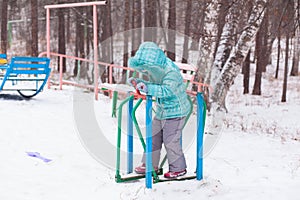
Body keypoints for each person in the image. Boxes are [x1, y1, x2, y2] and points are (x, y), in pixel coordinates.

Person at [127, 42, 191, 178]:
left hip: (176, 112)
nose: (146, 71)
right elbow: (155, 85)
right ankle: (150, 164)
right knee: (153, 136)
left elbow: (166, 90)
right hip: (162, 110)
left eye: (147, 68)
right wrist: (140, 83)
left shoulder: (171, 72)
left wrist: (148, 88)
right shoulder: (156, 69)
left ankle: (179, 168)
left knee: (170, 140)